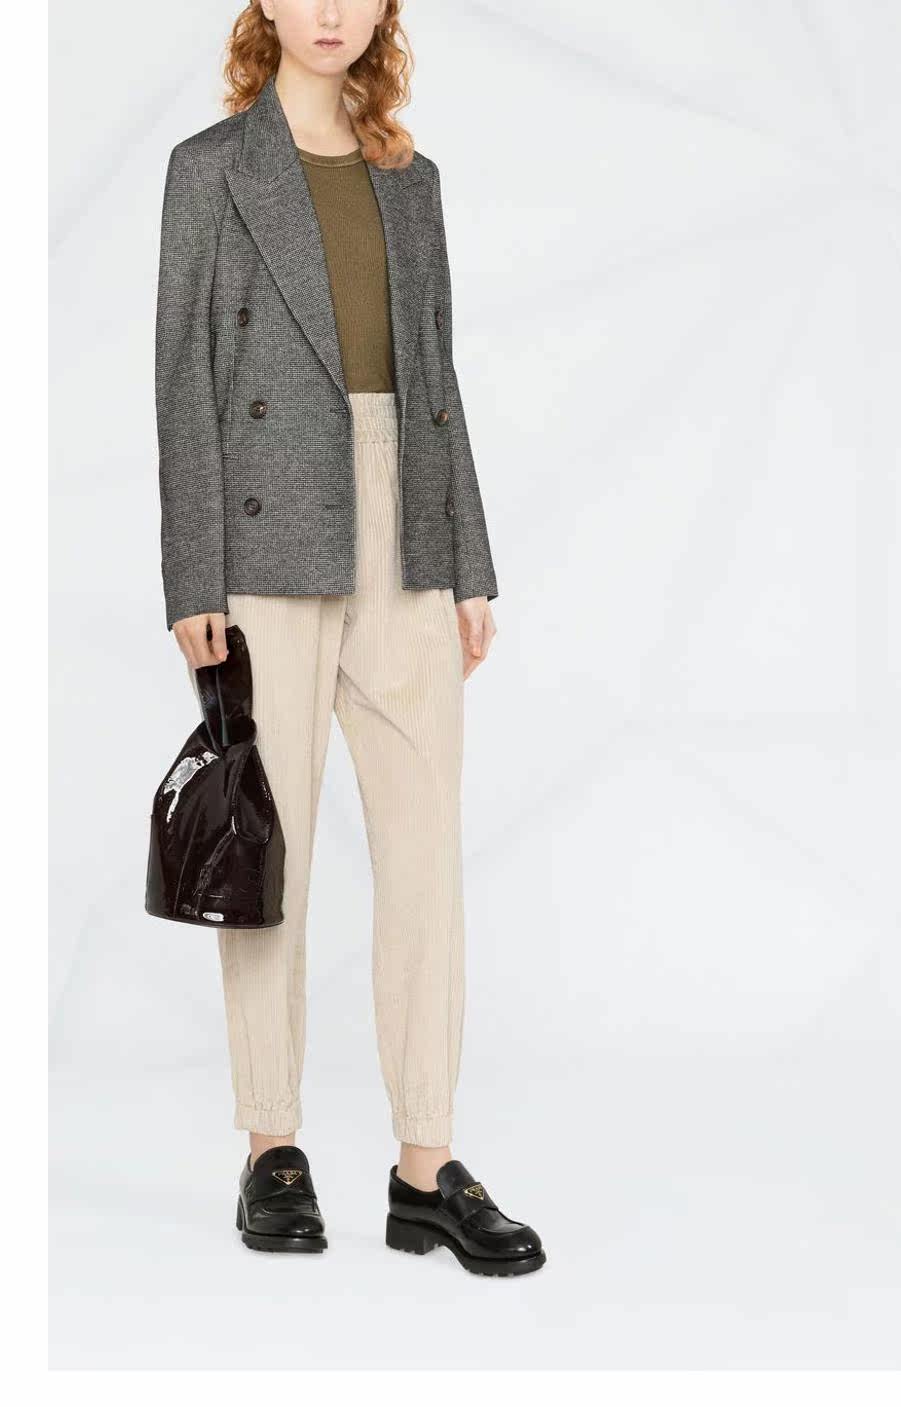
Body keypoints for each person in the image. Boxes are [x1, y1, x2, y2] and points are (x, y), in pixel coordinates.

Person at [154, 0, 544, 1276]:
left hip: (406, 528)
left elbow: (437, 380)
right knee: (271, 854)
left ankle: (426, 1167)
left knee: (425, 853)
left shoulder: (410, 179)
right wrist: (193, 571)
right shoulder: (211, 169)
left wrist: (467, 560)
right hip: (266, 532)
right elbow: (183, 379)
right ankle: (272, 1146)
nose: (329, 11)